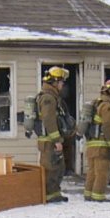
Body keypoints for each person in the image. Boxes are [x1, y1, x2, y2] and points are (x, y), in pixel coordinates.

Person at [35, 66, 70, 203]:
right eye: (61, 82)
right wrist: (56, 140)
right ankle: (48, 196)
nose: (62, 85)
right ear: (54, 82)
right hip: (49, 141)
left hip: (51, 140)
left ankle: (55, 194)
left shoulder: (53, 97)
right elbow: (49, 120)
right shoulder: (48, 98)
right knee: (50, 168)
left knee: (58, 168)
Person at [84, 79, 110, 202]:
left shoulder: (97, 103)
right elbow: (108, 126)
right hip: (101, 146)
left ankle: (88, 194)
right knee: (101, 173)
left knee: (92, 172)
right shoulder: (107, 106)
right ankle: (98, 196)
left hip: (91, 146)